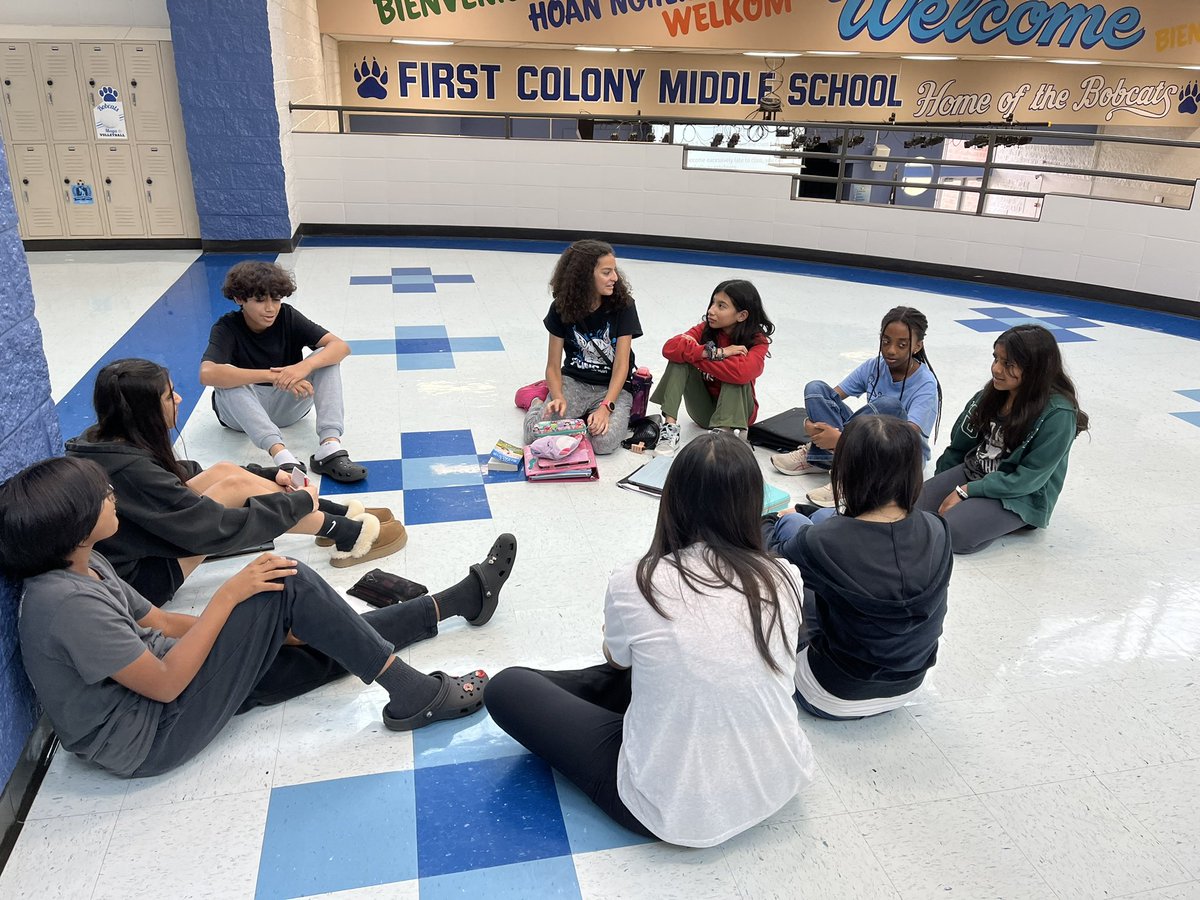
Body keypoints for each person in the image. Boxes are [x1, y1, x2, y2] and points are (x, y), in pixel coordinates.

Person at [0, 456, 519, 777]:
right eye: (101, 496)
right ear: (72, 525)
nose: (112, 496)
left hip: (168, 685)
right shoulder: (63, 604)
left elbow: (157, 622)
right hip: (151, 736)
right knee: (285, 578)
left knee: (319, 637)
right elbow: (160, 684)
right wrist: (228, 602)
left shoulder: (87, 562)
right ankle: (415, 695)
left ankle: (460, 600)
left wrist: (255, 630)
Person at [486, 433, 814, 847]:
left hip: (674, 813)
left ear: (672, 500)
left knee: (508, 687)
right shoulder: (784, 575)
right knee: (662, 669)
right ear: (753, 505)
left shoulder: (637, 581)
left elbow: (617, 662)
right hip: (781, 777)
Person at [66, 359, 406, 604]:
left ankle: (335, 515)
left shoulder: (102, 441)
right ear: (141, 413)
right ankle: (344, 533)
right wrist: (297, 502)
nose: (179, 399)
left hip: (144, 545)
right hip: (143, 578)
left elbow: (178, 478)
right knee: (235, 490)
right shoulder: (130, 472)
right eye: (170, 396)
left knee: (227, 472)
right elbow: (215, 529)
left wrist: (269, 474)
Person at [766, 415, 951, 720]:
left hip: (830, 693)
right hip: (910, 684)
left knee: (791, 533)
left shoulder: (824, 542)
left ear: (846, 470)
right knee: (817, 520)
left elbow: (770, 559)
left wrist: (776, 519)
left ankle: (790, 518)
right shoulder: (937, 528)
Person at [915, 324, 1088, 554]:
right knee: (907, 508)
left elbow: (1028, 479)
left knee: (953, 533)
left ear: (1035, 368)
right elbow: (959, 446)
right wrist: (940, 485)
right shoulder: (990, 395)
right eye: (996, 358)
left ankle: (1003, 520)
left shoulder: (1058, 414)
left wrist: (965, 492)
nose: (996, 369)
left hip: (1020, 494)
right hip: (975, 472)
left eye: (1008, 364)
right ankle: (977, 513)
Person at [200, 260, 367, 483]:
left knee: (326, 357)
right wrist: (274, 376)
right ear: (239, 299)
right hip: (241, 414)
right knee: (226, 376)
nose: (270, 308)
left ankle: (329, 447)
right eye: (260, 300)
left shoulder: (287, 316)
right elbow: (207, 373)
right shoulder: (226, 327)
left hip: (288, 406)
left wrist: (302, 367)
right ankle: (283, 457)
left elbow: (341, 346)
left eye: (276, 299)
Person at [771, 307, 942, 509]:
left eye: (902, 345)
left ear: (917, 346)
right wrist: (810, 423)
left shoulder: (926, 384)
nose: (891, 350)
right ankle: (822, 456)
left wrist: (842, 440)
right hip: (866, 444)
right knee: (816, 389)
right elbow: (831, 398)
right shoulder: (875, 366)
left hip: (898, 455)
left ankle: (851, 475)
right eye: (886, 341)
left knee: (888, 407)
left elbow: (907, 438)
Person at [523, 239, 642, 455]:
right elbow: (552, 365)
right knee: (534, 434)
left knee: (603, 443)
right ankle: (536, 402)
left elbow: (621, 366)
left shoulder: (624, 306)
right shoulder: (561, 308)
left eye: (614, 271)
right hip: (574, 382)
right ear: (586, 277)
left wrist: (606, 408)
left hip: (612, 388)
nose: (615, 278)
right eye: (607, 272)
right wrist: (558, 396)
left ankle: (583, 419)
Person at [650, 279, 774, 454]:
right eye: (713, 303)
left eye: (721, 306)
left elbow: (742, 373)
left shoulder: (757, 341)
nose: (711, 311)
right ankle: (669, 429)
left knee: (734, 376)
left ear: (742, 315)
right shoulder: (705, 329)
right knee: (678, 360)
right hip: (704, 412)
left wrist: (695, 354)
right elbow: (670, 348)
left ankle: (725, 435)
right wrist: (718, 353)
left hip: (740, 414)